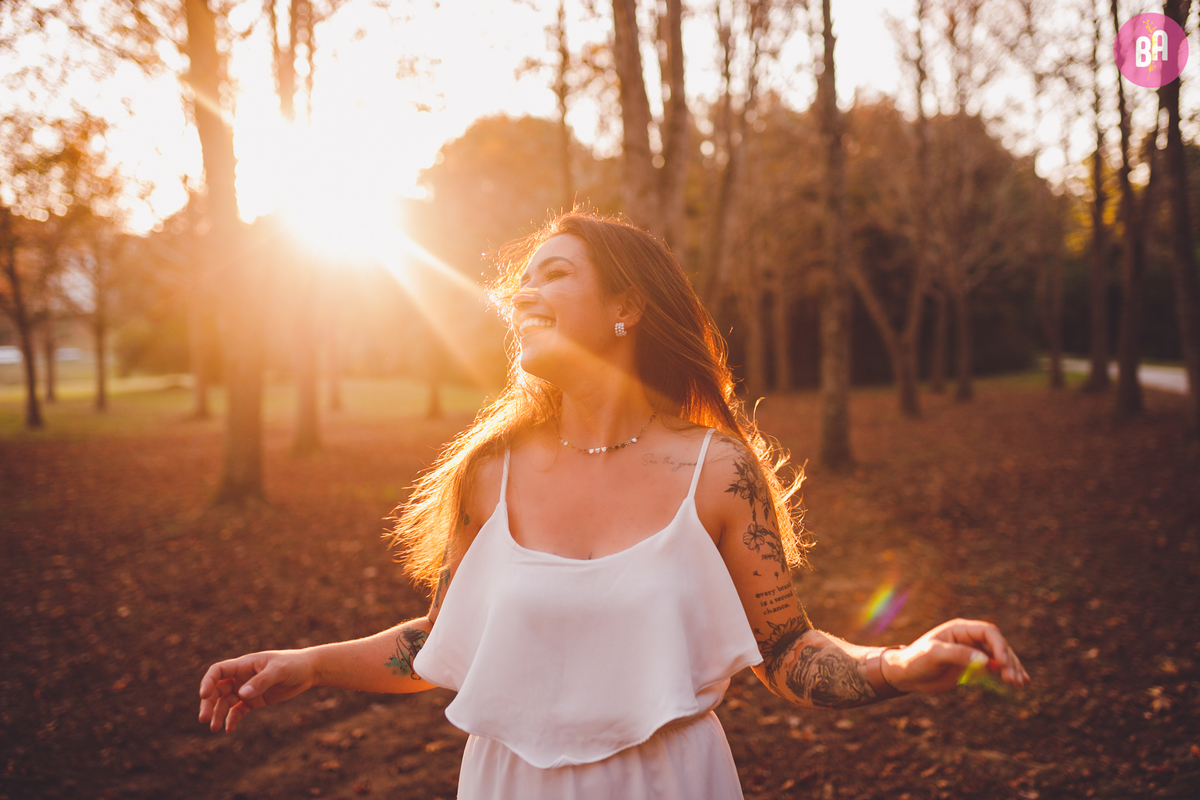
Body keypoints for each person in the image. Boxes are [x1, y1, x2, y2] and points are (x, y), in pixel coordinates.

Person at [198, 212, 1029, 799]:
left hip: (668, 784)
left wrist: (899, 664)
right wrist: (309, 663)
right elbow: (441, 641)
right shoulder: (488, 473)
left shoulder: (718, 471)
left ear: (627, 307)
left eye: (554, 274)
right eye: (520, 283)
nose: (523, 295)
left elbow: (786, 652)